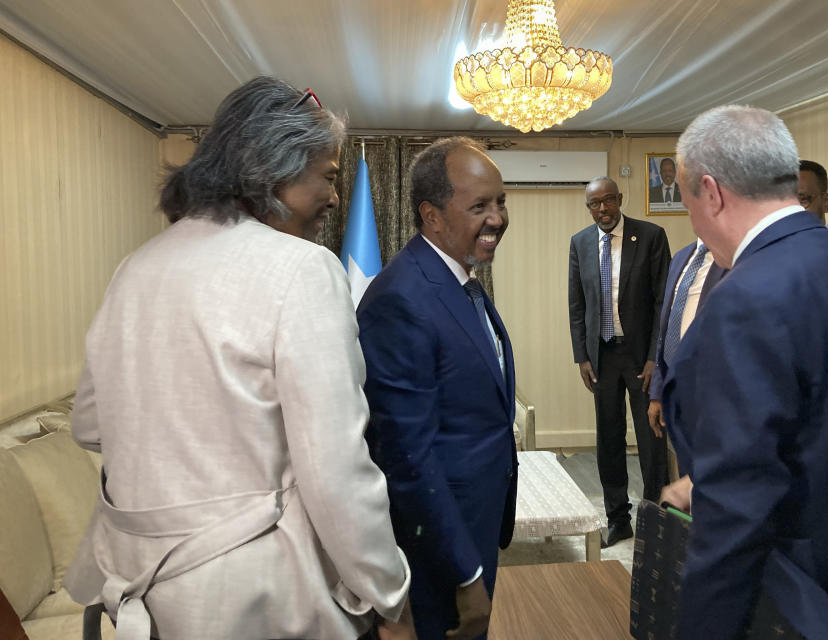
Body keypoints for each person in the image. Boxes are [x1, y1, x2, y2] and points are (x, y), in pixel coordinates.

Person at [62, 76, 415, 640]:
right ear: (275, 167)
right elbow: (335, 471)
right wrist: (389, 593)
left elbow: (89, 424)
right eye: (326, 177)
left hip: (137, 589)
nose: (333, 197)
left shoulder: (136, 266)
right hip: (256, 597)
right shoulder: (301, 269)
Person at [662, 105, 828, 639]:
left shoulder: (744, 298)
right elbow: (823, 427)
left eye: (687, 202)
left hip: (789, 604)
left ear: (711, 192)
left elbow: (737, 514)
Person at [358, 137, 517, 640]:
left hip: (474, 522)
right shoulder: (402, 298)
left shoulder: (458, 279)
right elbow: (407, 455)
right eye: (479, 206)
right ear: (431, 215)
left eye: (500, 202)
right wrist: (464, 573)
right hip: (437, 549)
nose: (497, 218)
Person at [568, 177, 671, 548]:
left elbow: (664, 302)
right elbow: (577, 305)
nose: (603, 209)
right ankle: (618, 519)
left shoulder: (650, 236)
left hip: (641, 356)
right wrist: (582, 355)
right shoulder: (580, 243)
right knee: (608, 439)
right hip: (602, 356)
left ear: (620, 199)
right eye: (595, 204)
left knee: (650, 439)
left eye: (608, 201)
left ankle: (656, 518)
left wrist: (655, 358)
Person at [647, 239, 725, 508]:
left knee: (710, 482)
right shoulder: (682, 257)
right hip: (677, 390)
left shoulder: (733, 257)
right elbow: (665, 327)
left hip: (711, 393)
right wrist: (657, 392)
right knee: (685, 475)